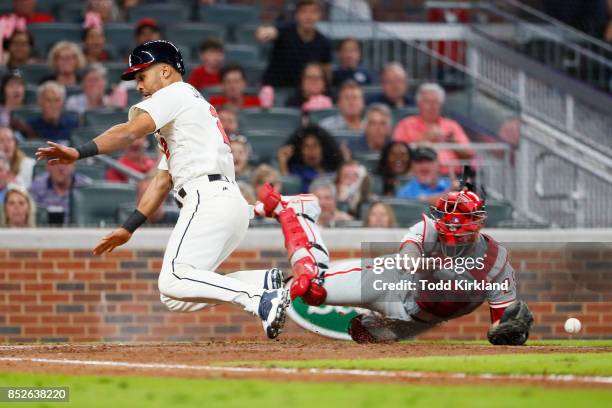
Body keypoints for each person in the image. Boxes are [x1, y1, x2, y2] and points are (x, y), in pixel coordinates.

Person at [36, 40, 290, 339]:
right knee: (176, 295)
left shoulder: (175, 93)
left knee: (172, 279)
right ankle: (261, 283)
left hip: (207, 199)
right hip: (226, 202)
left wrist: (79, 152)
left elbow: (129, 131)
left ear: (166, 72)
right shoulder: (187, 111)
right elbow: (161, 181)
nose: (139, 85)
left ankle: (258, 299)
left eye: (142, 75)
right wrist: (129, 228)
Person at [256, 183, 533, 345]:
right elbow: (409, 258)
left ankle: (386, 325)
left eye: (458, 217)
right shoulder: (429, 228)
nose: (449, 222)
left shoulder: (497, 264)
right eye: (447, 216)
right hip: (389, 283)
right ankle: (298, 212)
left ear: (476, 222)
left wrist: (511, 331)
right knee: (312, 289)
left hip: (415, 320)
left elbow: (500, 330)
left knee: (366, 335)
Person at [393, 83, 473, 173]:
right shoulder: (405, 124)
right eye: (427, 102)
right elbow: (397, 154)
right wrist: (424, 139)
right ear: (419, 104)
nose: (432, 106)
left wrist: (451, 144)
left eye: (435, 102)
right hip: (416, 178)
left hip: (452, 176)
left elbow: (469, 154)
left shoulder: (452, 125)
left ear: (441, 105)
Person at [258, 0, 332, 88]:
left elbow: (326, 73)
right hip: (274, 88)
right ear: (297, 15)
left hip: (302, 93)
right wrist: (264, 33)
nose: (308, 16)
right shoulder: (284, 31)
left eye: (313, 12)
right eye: (304, 11)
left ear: (319, 16)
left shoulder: (324, 42)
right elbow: (269, 32)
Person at [278, 124, 343, 193]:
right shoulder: (297, 170)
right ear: (300, 150)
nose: (311, 151)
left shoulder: (333, 169)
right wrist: (283, 162)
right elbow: (289, 189)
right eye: (306, 146)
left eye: (315, 145)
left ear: (323, 148)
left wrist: (345, 159)